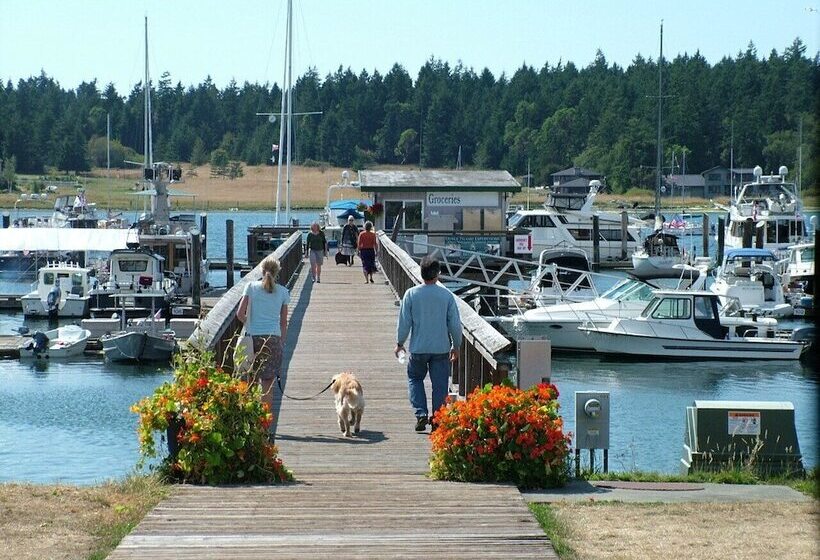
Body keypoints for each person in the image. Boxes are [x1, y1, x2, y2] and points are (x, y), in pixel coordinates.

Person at [395, 257, 461, 432]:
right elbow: (454, 324)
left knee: (415, 379)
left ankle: (421, 414)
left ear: (421, 273)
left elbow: (404, 322)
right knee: (440, 384)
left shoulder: (411, 294)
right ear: (438, 274)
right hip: (441, 348)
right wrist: (456, 346)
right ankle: (437, 419)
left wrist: (400, 343)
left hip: (418, 347)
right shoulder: (446, 296)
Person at [236, 255, 290, 414]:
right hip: (273, 340)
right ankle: (264, 423)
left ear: (262, 270)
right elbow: (283, 322)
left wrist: (250, 323)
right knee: (267, 384)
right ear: (277, 272)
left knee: (248, 381)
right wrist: (282, 342)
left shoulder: (250, 287)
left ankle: (248, 418)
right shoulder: (283, 292)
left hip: (252, 339)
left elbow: (240, 314)